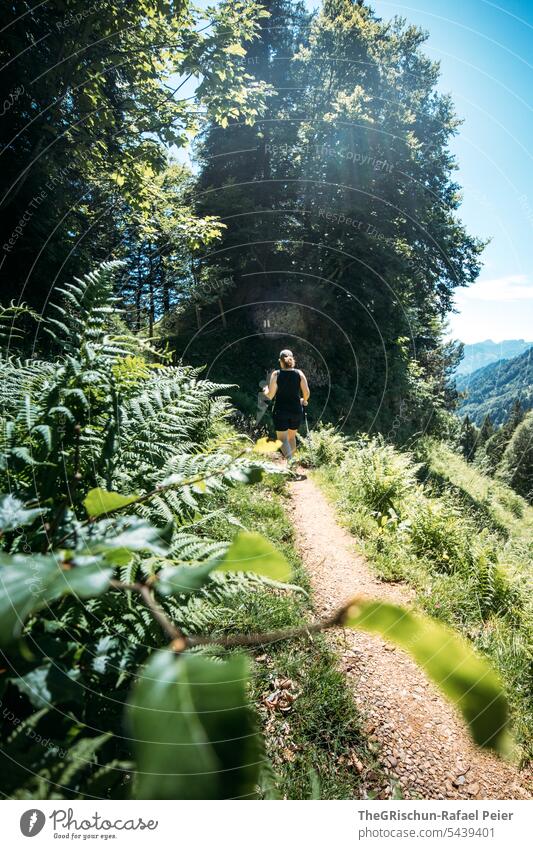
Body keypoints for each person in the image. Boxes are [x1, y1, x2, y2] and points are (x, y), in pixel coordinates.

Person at [262, 349, 310, 464]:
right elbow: (307, 392)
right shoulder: (299, 373)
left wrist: (265, 390)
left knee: (282, 439)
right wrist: (304, 400)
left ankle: (291, 462)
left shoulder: (276, 374)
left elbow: (270, 396)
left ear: (280, 361)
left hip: (280, 411)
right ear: (292, 359)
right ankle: (292, 464)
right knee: (291, 437)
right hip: (296, 410)